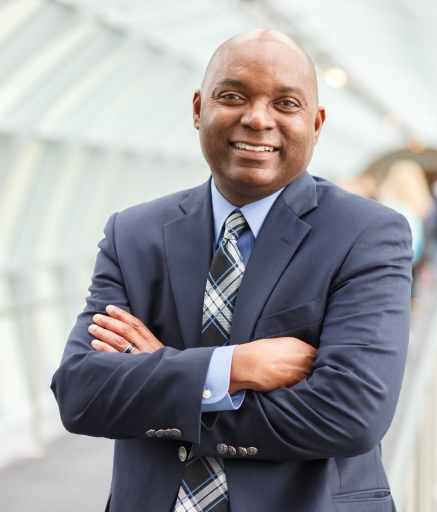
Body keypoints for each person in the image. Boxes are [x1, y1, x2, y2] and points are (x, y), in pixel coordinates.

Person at [50, 29, 412, 512]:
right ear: (198, 108)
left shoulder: (366, 234)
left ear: (317, 123)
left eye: (286, 103)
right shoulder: (134, 233)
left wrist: (168, 382)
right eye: (233, 96)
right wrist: (234, 368)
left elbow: (349, 415)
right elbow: (81, 392)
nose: (257, 118)